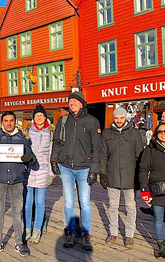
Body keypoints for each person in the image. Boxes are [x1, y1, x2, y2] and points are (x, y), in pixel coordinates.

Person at [0, 111, 37, 257]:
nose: (9, 123)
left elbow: (34, 162)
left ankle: (19, 243)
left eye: (11, 120)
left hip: (17, 181)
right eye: (6, 121)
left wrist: (28, 159)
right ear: (2, 122)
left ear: (15, 122)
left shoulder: (22, 139)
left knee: (16, 213)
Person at [50, 91, 101, 250]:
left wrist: (94, 170)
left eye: (75, 101)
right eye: (70, 101)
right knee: (69, 202)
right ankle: (70, 232)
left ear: (82, 103)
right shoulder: (63, 120)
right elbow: (56, 142)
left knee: (85, 202)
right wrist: (53, 160)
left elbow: (96, 148)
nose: (72, 104)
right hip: (66, 167)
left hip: (84, 168)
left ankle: (85, 234)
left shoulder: (92, 121)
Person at [100, 107, 143, 248]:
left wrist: (139, 176)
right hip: (112, 174)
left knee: (131, 206)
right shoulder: (107, 133)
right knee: (113, 206)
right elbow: (103, 155)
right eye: (116, 118)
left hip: (130, 175)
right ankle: (113, 233)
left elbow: (139, 156)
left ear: (126, 118)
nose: (119, 120)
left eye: (121, 118)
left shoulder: (135, 133)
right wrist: (103, 173)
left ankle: (129, 235)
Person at [139, 123, 165, 259]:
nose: (163, 134)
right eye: (160, 132)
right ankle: (161, 245)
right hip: (157, 189)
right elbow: (143, 169)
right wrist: (144, 189)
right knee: (158, 218)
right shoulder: (150, 150)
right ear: (156, 134)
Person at [25, 104, 54, 244]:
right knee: (28, 202)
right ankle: (27, 229)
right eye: (37, 116)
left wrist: (51, 172)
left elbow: (51, 153)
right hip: (29, 171)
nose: (39, 118)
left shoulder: (51, 131)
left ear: (45, 117)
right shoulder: (27, 131)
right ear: (33, 118)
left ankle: (37, 230)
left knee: (40, 201)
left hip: (43, 169)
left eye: (41, 115)